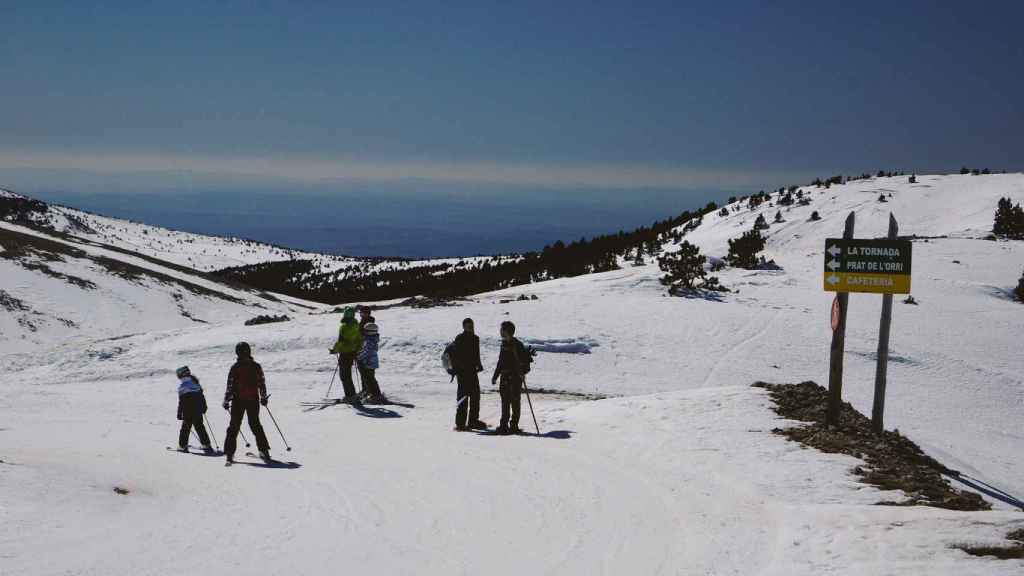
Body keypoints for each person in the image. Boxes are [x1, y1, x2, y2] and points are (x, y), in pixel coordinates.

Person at [223, 342, 272, 463]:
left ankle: (229, 453)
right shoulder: (256, 366)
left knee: (234, 426)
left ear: (237, 352)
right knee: (255, 425)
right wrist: (263, 397)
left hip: (238, 401)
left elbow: (230, 385)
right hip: (253, 400)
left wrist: (226, 399)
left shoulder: (235, 367)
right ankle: (264, 451)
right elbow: (261, 382)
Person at [491, 321, 531, 435]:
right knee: (505, 402)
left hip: (515, 378)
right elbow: (500, 362)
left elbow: (524, 362)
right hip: (504, 377)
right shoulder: (503, 344)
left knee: (515, 402)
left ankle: (514, 426)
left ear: (507, 331)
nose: (500, 331)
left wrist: (522, 373)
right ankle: (503, 425)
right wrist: (495, 376)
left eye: (502, 329)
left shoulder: (517, 345)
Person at [452, 318, 486, 431]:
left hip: (472, 371)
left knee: (475, 396)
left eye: (472, 325)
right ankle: (460, 423)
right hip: (462, 373)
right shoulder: (459, 338)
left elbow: (477, 354)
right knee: (463, 397)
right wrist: (459, 368)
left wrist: (479, 364)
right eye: (468, 325)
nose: (471, 327)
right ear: (464, 327)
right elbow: (455, 355)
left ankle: (473, 421)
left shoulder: (476, 338)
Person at [175, 366, 214, 453]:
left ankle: (182, 446)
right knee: (200, 427)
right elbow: (202, 397)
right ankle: (206, 445)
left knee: (185, 429)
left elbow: (182, 402)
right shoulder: (196, 384)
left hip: (188, 412)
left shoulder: (182, 387)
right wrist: (204, 407)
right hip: (198, 410)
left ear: (181, 376)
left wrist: (179, 413)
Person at [330, 307, 363, 402]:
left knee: (344, 375)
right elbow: (359, 339)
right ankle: (352, 394)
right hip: (353, 352)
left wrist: (334, 350)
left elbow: (341, 341)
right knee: (347, 374)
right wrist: (357, 349)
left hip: (345, 352)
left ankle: (350, 396)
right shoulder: (356, 325)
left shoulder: (344, 326)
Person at [356, 322, 386, 403]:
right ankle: (373, 394)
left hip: (368, 362)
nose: (364, 332)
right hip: (371, 362)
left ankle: (375, 395)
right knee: (370, 378)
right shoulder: (372, 339)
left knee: (369, 379)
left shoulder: (369, 340)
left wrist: (358, 356)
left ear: (369, 331)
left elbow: (367, 351)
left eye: (365, 330)